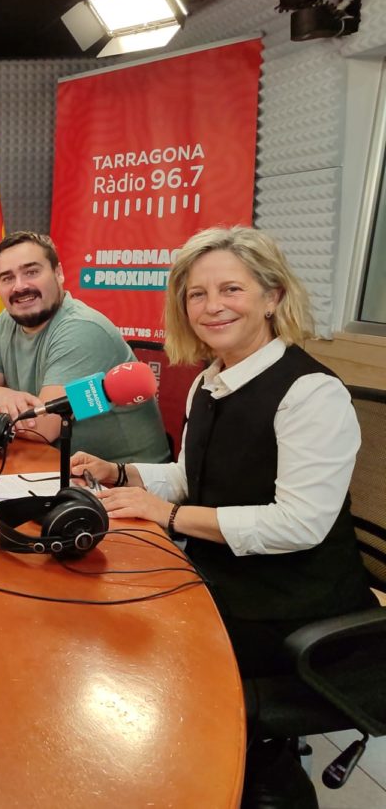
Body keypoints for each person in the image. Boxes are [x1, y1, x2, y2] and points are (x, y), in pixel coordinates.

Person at [70, 226, 375, 806]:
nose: (212, 307)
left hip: (294, 604)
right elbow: (193, 479)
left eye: (230, 289)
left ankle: (248, 774)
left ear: (272, 296)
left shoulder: (311, 392)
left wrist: (171, 516)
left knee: (146, 667)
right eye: (196, 294)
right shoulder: (208, 383)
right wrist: (124, 475)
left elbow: (299, 523)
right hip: (223, 579)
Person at [0, 231, 169, 462]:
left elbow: (44, 427)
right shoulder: (7, 321)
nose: (19, 286)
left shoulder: (80, 328)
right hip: (53, 463)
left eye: (31, 272)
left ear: (58, 273)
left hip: (122, 480)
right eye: (7, 278)